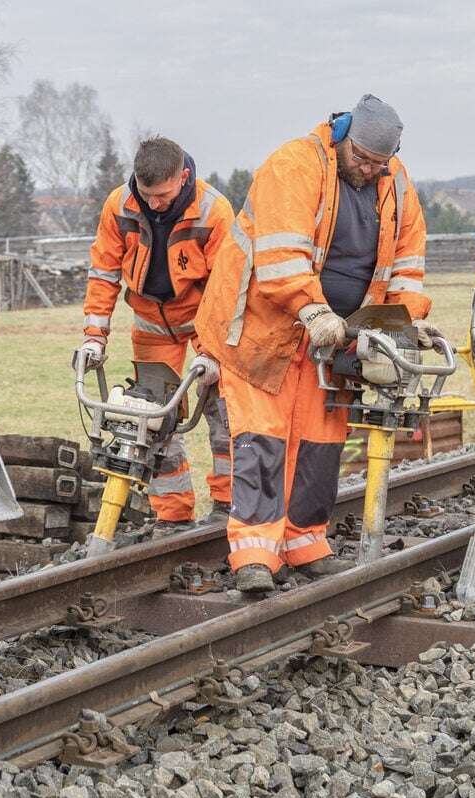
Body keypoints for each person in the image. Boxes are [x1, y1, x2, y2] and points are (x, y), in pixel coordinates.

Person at [195, 94, 438, 593]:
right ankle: (255, 554)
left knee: (321, 444)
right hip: (263, 331)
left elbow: (408, 263)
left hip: (334, 340)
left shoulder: (396, 184)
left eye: (379, 163)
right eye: (362, 159)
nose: (369, 170)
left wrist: (403, 322)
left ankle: (305, 542)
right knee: (262, 442)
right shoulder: (296, 165)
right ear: (344, 138)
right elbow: (282, 256)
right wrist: (312, 308)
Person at [78, 137, 234, 536]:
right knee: (150, 416)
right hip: (151, 320)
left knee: (223, 412)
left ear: (183, 178)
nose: (155, 204)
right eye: (147, 196)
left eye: (163, 196)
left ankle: (229, 505)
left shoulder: (214, 211)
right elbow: (103, 272)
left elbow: (227, 289)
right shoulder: (119, 205)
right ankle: (172, 515)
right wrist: (94, 336)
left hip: (204, 320)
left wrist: (214, 352)